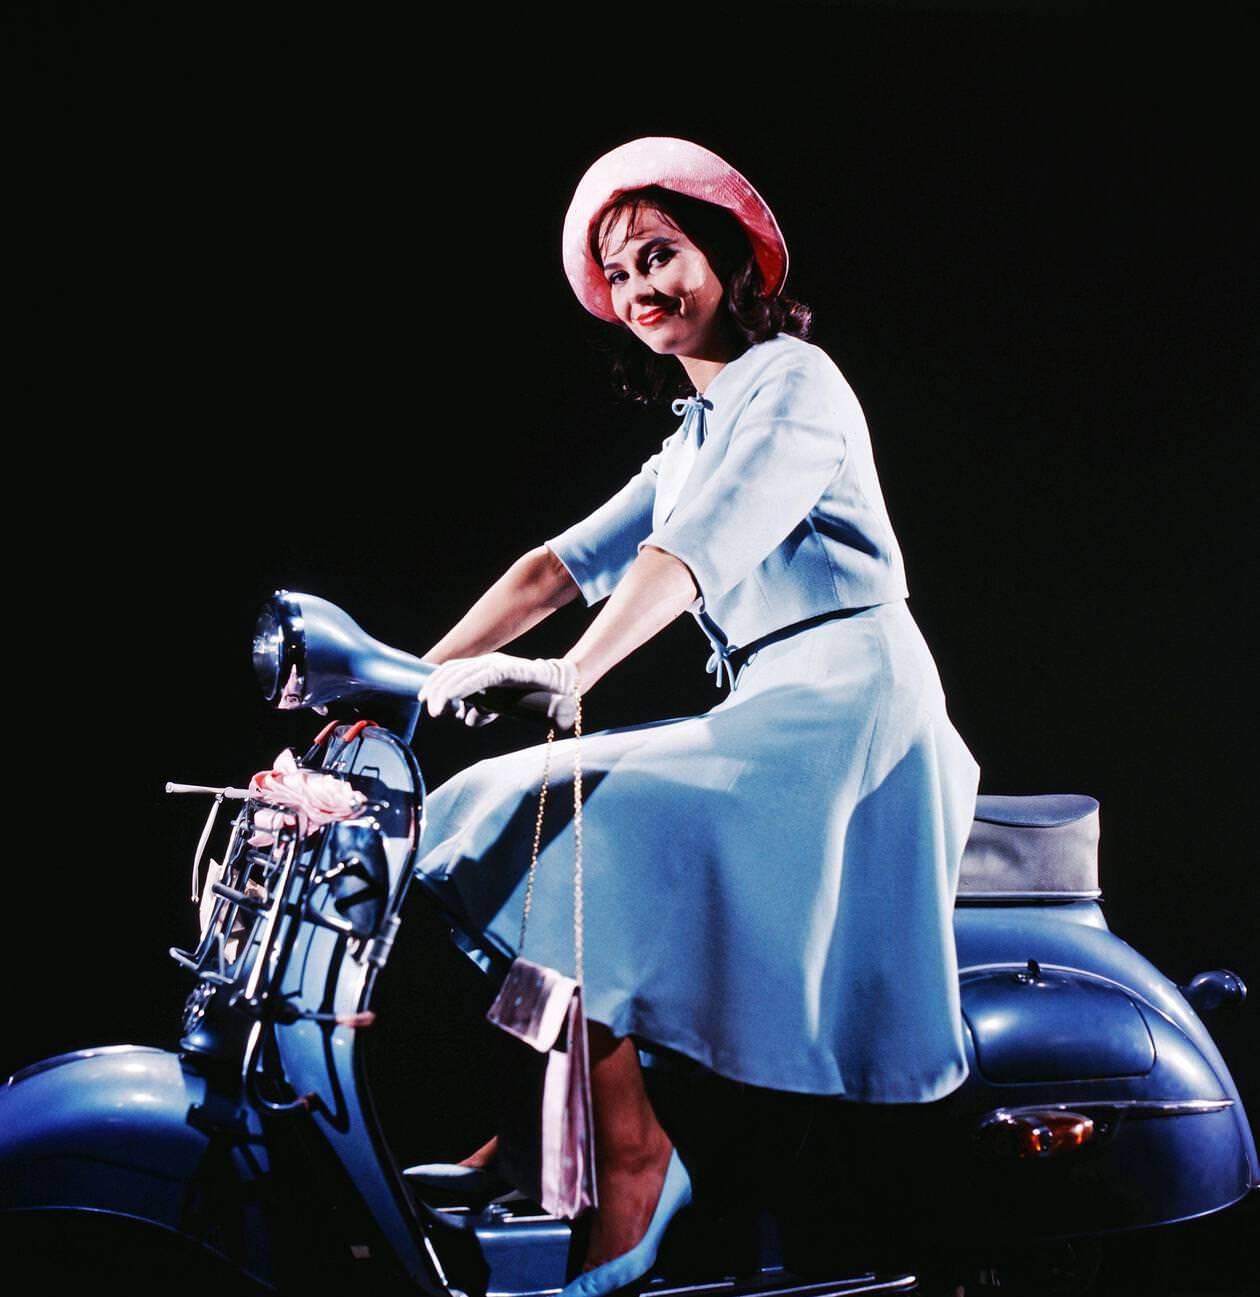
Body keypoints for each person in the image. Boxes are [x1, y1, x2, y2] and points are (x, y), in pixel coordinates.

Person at [411, 136, 981, 1297]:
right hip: (777, 703)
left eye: (662, 254)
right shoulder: (688, 437)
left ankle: (634, 1153)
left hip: (850, 708)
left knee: (552, 805)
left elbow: (699, 551)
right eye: (621, 276)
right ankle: (558, 1128)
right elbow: (551, 568)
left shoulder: (795, 382)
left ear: (726, 256)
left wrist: (574, 675)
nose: (641, 291)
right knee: (517, 826)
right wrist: (407, 681)